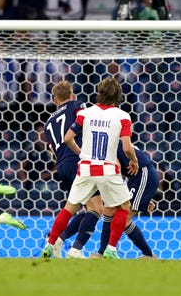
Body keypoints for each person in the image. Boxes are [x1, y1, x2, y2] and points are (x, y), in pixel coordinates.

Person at [41, 76, 138, 259]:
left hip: (76, 166)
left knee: (70, 208)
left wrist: (82, 153)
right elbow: (126, 147)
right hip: (105, 168)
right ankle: (107, 249)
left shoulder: (62, 120)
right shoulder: (119, 115)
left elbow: (65, 139)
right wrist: (134, 160)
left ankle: (51, 243)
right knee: (120, 207)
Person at [42, 80, 102, 259]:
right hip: (78, 161)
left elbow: (52, 149)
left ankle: (57, 241)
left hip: (61, 166)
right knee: (96, 208)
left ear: (55, 100)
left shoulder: (48, 123)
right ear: (72, 95)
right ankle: (75, 249)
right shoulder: (77, 105)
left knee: (78, 207)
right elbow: (88, 121)